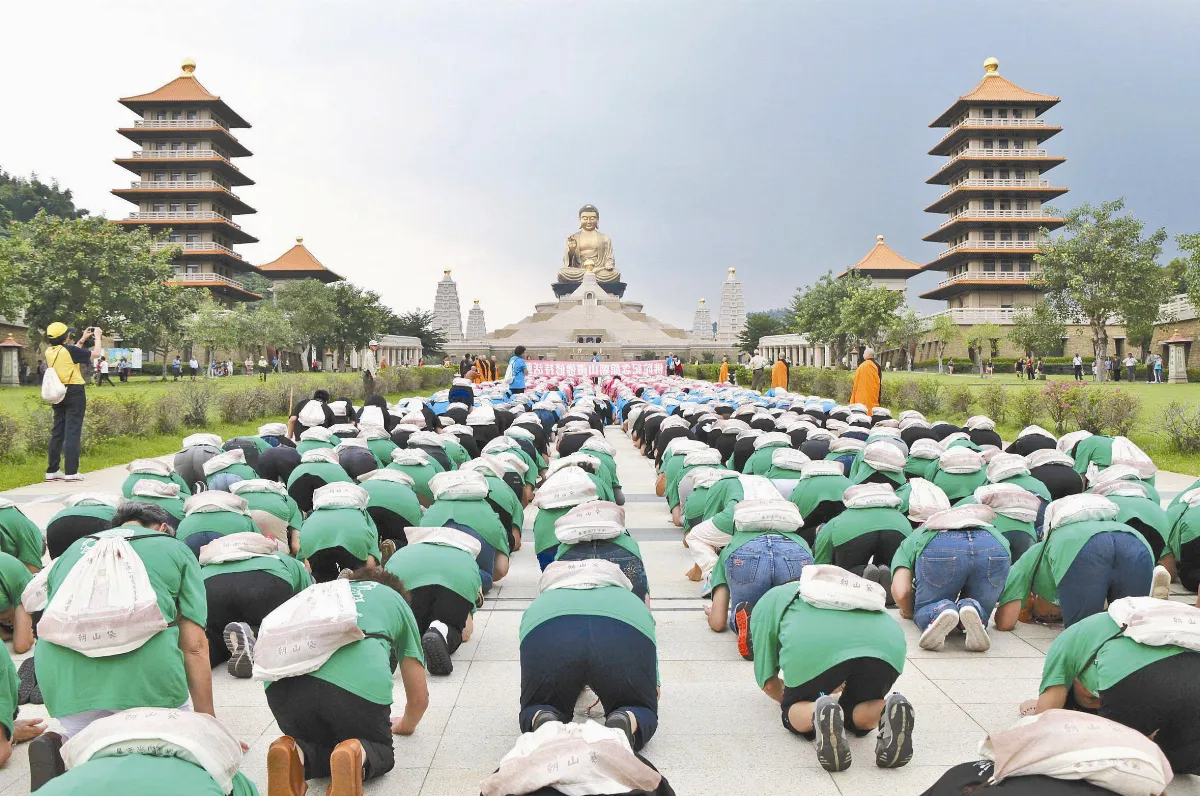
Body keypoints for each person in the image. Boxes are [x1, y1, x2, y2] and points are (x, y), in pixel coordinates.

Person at [29, 501, 214, 784]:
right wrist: (209, 729)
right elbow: (195, 645)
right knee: (170, 749)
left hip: (63, 674)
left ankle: (66, 747)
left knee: (88, 744)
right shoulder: (173, 547)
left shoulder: (75, 549)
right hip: (145, 673)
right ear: (163, 528)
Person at [264, 568, 429, 795]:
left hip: (281, 685)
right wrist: (406, 725)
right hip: (354, 686)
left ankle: (293, 752)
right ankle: (354, 753)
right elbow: (419, 698)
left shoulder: (322, 591)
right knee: (379, 751)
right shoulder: (395, 599)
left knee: (319, 746)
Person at [750, 567, 912, 772]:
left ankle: (817, 711)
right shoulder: (843, 589)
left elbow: (769, 684)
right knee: (856, 707)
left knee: (793, 708)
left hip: (817, 644)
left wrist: (793, 698)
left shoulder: (773, 597)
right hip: (887, 643)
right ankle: (887, 709)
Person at [1026, 604, 1200, 775]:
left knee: (1104, 763)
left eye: (1092, 698)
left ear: (1073, 678)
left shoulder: (1065, 643)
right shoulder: (1104, 625)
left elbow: (1043, 725)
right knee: (1174, 762)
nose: (1099, 701)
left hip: (1140, 677)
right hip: (1191, 673)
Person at [520, 560, 659, 751]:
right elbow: (654, 686)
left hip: (547, 626)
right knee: (638, 706)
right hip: (623, 629)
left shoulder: (539, 605)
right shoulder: (633, 603)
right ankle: (626, 718)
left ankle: (544, 718)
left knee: (540, 702)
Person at [994, 494, 1154, 630]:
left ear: (1034, 596)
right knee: (1132, 627)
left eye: (1037, 615)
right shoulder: (1117, 527)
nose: (1051, 617)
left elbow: (1005, 623)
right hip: (1136, 542)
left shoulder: (1037, 552)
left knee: (1083, 633)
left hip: (1082, 549)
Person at [891, 504, 1010, 652]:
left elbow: (902, 592)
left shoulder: (917, 535)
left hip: (939, 547)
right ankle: (972, 608)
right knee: (980, 608)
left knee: (924, 609)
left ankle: (940, 610)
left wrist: (909, 612)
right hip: (994, 546)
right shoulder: (991, 529)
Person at [200, 533, 312, 677]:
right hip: (265, 583)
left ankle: (201, 660)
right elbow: (308, 599)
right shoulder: (280, 558)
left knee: (216, 636)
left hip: (212, 586)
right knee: (278, 629)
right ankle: (254, 636)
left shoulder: (210, 563)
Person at [384, 526, 482, 676]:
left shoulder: (404, 552)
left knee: (412, 623)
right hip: (457, 577)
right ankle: (440, 629)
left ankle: (395, 638)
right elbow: (467, 630)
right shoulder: (466, 559)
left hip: (405, 573)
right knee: (454, 628)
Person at [44, 323, 101, 483]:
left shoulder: (50, 351)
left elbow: (70, 353)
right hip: (74, 392)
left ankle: (52, 470)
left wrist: (82, 340)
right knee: (73, 431)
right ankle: (71, 472)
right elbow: (96, 354)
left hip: (58, 392)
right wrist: (98, 337)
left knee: (57, 431)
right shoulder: (69, 351)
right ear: (65, 337)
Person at [850, 348, 882, 412]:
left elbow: (856, 378)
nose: (863, 355)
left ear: (868, 355)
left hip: (862, 393)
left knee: (862, 408)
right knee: (872, 408)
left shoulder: (863, 366)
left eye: (864, 353)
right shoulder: (877, 365)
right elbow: (879, 380)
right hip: (873, 392)